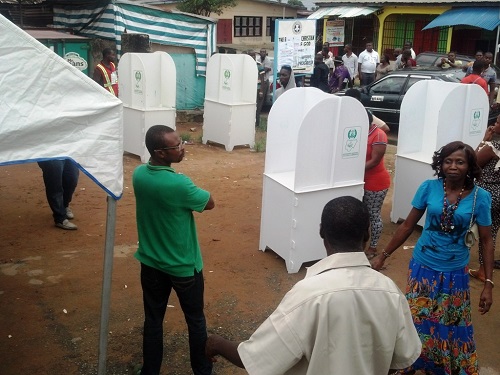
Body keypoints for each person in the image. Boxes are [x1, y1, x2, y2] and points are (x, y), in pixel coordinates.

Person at [206, 196, 422, 374]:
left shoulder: (307, 295)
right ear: (367, 234)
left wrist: (216, 343)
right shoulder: (389, 291)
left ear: (321, 232)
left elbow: (259, 356)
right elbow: (402, 356)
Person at [372, 141, 494, 375]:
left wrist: (488, 283)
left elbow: (487, 241)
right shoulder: (428, 187)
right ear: (441, 164)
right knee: (417, 317)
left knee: (450, 321)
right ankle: (410, 361)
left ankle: (440, 365)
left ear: (470, 166)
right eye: (448, 161)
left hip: (454, 271)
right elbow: (407, 225)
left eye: (460, 162)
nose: (453, 166)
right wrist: (383, 256)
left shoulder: (481, 198)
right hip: (423, 265)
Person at [133, 125, 215, 375]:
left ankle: (150, 371)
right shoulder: (179, 184)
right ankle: (202, 371)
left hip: (150, 263)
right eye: (176, 146)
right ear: (160, 153)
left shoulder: (138, 175)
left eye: (181, 143)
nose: (182, 148)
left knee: (153, 321)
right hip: (183, 267)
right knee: (196, 321)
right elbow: (209, 203)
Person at [469, 116, 500, 281]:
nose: (494, 125)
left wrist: (484, 140)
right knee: (490, 233)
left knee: (467, 227)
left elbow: (471, 164)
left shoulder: (492, 147)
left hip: (486, 194)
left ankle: (456, 262)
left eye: (497, 123)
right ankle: (483, 271)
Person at [363, 111, 391, 259]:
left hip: (375, 182)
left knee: (373, 214)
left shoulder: (379, 135)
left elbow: (374, 161)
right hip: (361, 181)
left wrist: (354, 170)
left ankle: (373, 247)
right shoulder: (359, 131)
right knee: (363, 214)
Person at [37, 159, 79, 230]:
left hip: (66, 151)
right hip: (49, 153)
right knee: (54, 183)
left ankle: (64, 206)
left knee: (72, 178)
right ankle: (60, 218)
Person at [248, 50, 266, 127]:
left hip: (257, 88)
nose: (252, 57)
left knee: (257, 108)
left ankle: (257, 124)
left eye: (253, 55)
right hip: (249, 89)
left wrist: (261, 91)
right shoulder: (246, 65)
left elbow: (262, 79)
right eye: (251, 55)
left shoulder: (259, 65)